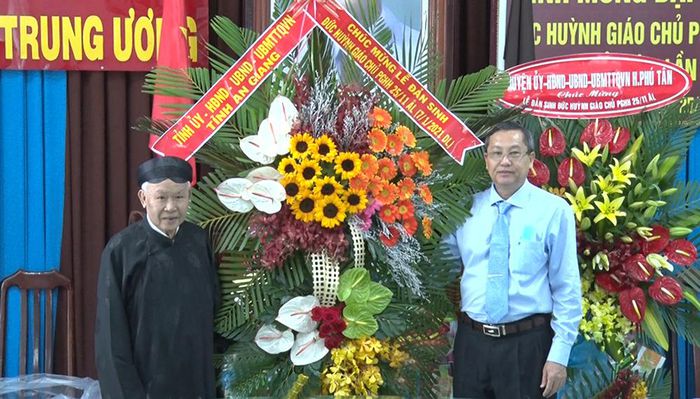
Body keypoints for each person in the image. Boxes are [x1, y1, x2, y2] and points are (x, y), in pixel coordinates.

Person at [444, 122, 582, 399]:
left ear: (531, 159)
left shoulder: (554, 211)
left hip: (527, 346)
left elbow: (566, 287)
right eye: (496, 153)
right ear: (486, 161)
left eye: (514, 153)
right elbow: (441, 267)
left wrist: (560, 355)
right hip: (472, 344)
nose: (504, 161)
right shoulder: (465, 210)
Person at [95, 156, 219, 399]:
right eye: (161, 197)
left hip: (196, 381)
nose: (171, 207)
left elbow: (214, 309)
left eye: (179, 197)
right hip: (145, 384)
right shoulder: (120, 250)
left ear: (189, 198)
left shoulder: (198, 240)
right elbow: (111, 340)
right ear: (144, 199)